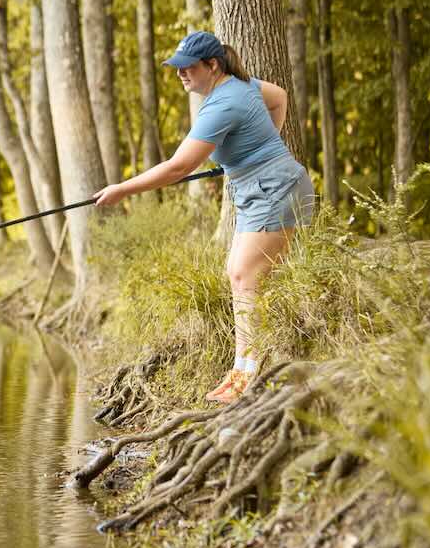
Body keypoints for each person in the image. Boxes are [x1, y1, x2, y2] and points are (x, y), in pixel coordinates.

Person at [93, 30, 315, 404]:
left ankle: (251, 373)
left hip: (275, 190)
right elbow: (279, 99)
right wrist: (250, 152)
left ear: (212, 65)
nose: (180, 74)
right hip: (262, 189)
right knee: (240, 275)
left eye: (187, 68)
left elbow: (179, 167)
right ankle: (243, 369)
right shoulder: (241, 85)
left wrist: (121, 189)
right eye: (177, 68)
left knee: (245, 274)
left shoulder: (222, 104)